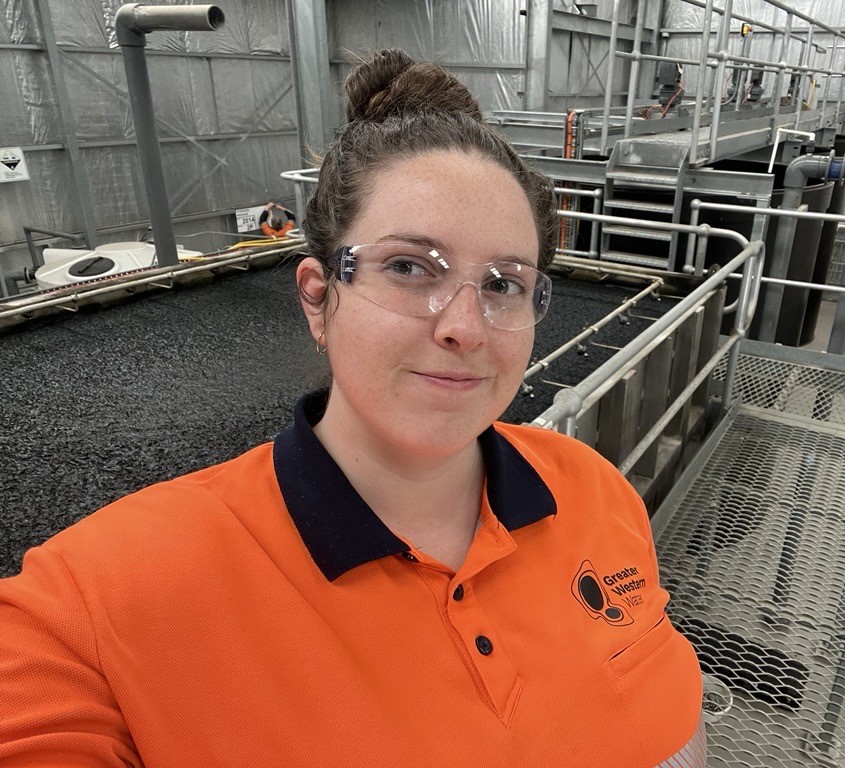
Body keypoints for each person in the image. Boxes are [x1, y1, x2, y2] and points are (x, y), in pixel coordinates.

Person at [0, 49, 704, 766]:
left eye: (504, 284)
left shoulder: (592, 491)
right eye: (408, 268)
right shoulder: (101, 605)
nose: (464, 325)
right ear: (317, 297)